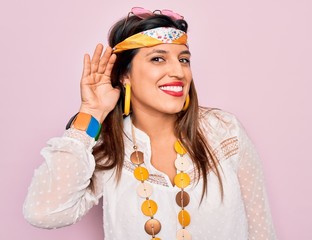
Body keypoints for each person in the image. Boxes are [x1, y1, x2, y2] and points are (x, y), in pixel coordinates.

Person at [23, 7, 277, 240]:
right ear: (125, 75)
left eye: (184, 59)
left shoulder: (223, 130)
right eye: (158, 59)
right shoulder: (108, 147)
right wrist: (92, 113)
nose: (178, 71)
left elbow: (261, 229)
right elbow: (44, 212)